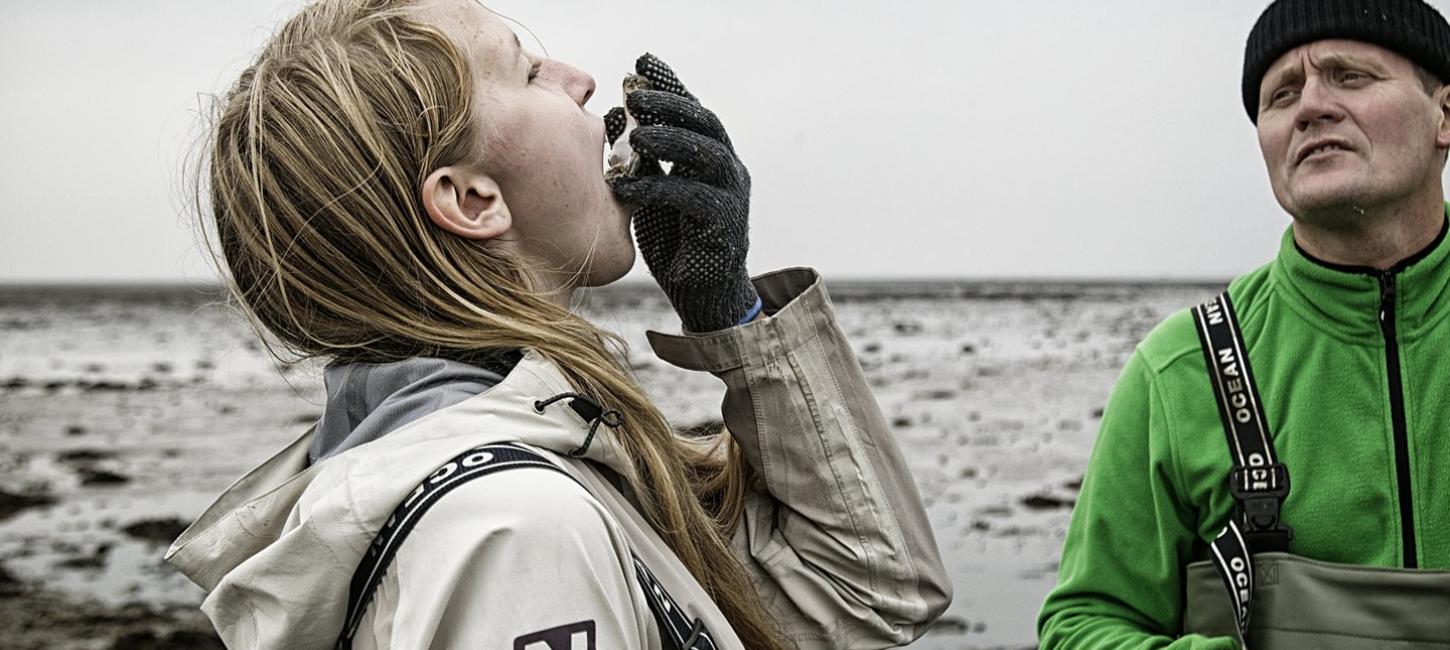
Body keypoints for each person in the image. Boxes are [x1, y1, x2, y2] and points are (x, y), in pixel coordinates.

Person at [163, 0, 951, 648]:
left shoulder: (537, 461)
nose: (578, 80)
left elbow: (869, 591)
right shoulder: (509, 531)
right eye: (528, 71)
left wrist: (733, 316)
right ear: (471, 199)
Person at [1037, 0, 1450, 647]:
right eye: (1281, 94)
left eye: (1350, 76)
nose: (1311, 105)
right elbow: (1082, 624)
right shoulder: (1179, 370)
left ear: (1444, 116)